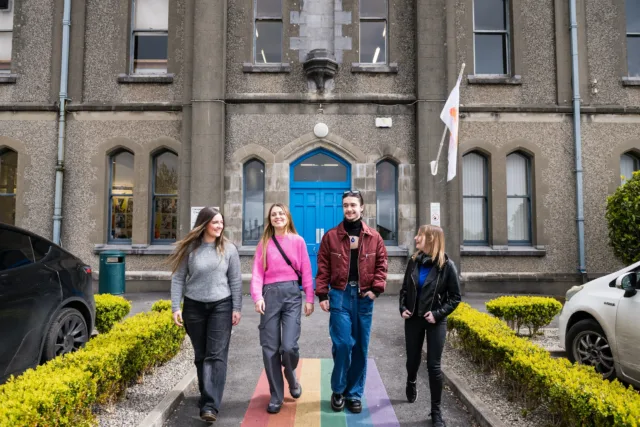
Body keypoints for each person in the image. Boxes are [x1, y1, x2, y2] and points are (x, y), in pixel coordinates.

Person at [315, 190, 388, 414]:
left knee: (360, 348)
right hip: (340, 294)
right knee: (344, 343)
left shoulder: (374, 237)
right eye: (346, 205)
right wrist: (322, 294)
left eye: (353, 205)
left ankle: (354, 393)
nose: (349, 209)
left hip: (364, 297)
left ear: (362, 207)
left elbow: (382, 265)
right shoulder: (331, 236)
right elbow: (323, 267)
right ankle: (338, 389)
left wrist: (376, 289)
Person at [169, 207, 242, 423]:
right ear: (204, 224)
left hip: (221, 305)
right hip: (194, 307)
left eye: (221, 223)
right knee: (201, 355)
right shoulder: (190, 248)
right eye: (215, 222)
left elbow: (236, 280)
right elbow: (178, 278)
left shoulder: (228, 249)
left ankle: (210, 404)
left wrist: (236, 308)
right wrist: (176, 307)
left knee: (215, 355)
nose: (220, 226)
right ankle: (206, 393)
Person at [250, 203, 315, 414]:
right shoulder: (264, 243)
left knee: (288, 346)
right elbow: (257, 273)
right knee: (269, 349)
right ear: (270, 220)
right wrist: (257, 296)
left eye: (281, 213)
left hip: (291, 296)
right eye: (274, 214)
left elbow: (306, 270)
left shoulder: (298, 241)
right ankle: (276, 395)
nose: (278, 217)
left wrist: (310, 298)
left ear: (287, 217)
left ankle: (290, 374)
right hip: (269, 295)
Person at [399, 225, 461, 427]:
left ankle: (436, 411)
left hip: (435, 320)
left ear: (432, 240)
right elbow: (404, 290)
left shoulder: (447, 265)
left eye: (420, 235)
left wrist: (437, 314)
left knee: (433, 366)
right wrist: (403, 308)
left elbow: (455, 297)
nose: (416, 238)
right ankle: (411, 380)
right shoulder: (413, 261)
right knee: (412, 360)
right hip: (414, 318)